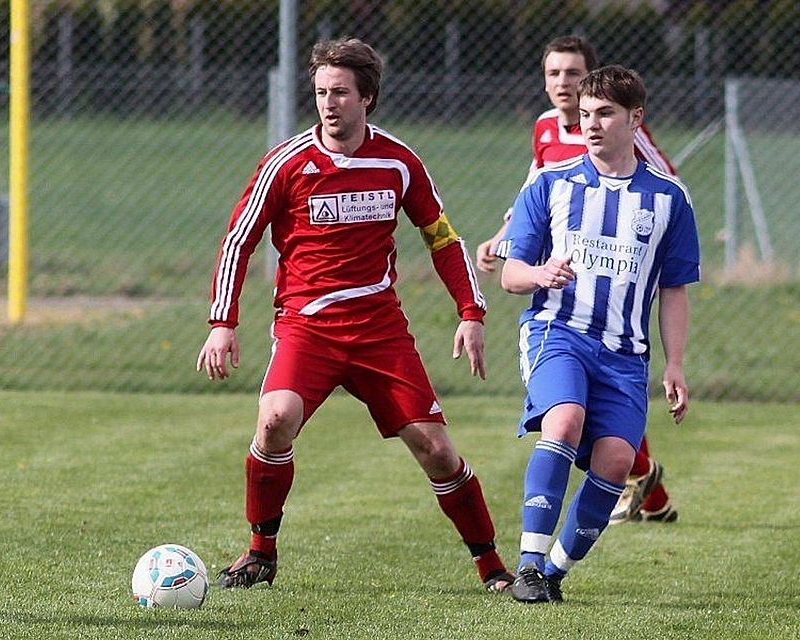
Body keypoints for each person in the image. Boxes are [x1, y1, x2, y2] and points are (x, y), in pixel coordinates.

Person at [196, 37, 514, 593]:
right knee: (274, 421)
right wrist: (223, 323)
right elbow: (238, 240)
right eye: (321, 92)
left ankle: (493, 569)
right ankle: (260, 553)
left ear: (367, 97)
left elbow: (442, 237)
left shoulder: (399, 161)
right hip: (307, 327)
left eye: (340, 92)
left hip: (379, 331)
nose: (328, 103)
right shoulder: (286, 163)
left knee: (438, 451)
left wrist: (471, 311)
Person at [497, 64, 700, 603]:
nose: (591, 124)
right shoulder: (550, 183)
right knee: (564, 421)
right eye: (586, 114)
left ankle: (553, 573)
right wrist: (540, 274)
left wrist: (675, 363)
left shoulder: (669, 199)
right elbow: (511, 274)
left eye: (605, 113)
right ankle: (528, 564)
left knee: (615, 461)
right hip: (557, 332)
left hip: (626, 354)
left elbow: (674, 289)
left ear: (636, 119)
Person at [477, 35, 679, 525]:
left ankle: (639, 484)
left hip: (612, 275)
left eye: (572, 73)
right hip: (560, 281)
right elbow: (532, 187)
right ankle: (650, 495)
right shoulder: (546, 126)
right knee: (578, 394)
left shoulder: (618, 130)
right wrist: (504, 238)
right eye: (553, 73)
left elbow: (663, 181)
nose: (562, 83)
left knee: (604, 391)